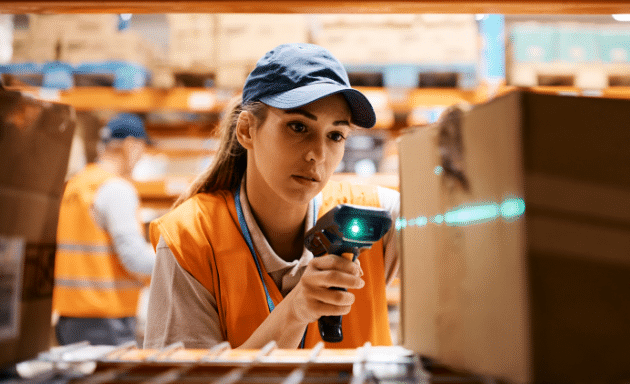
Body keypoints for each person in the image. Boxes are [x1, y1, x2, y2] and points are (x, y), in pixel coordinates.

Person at [144, 43, 400, 350]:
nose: (318, 155)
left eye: (335, 135)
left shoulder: (378, 217)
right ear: (247, 131)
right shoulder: (190, 240)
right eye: (297, 126)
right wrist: (294, 312)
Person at [53, 113, 155, 346]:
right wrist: (183, 263)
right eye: (142, 148)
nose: (142, 157)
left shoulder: (76, 185)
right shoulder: (116, 189)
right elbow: (135, 259)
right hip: (106, 320)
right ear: (130, 145)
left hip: (70, 318)